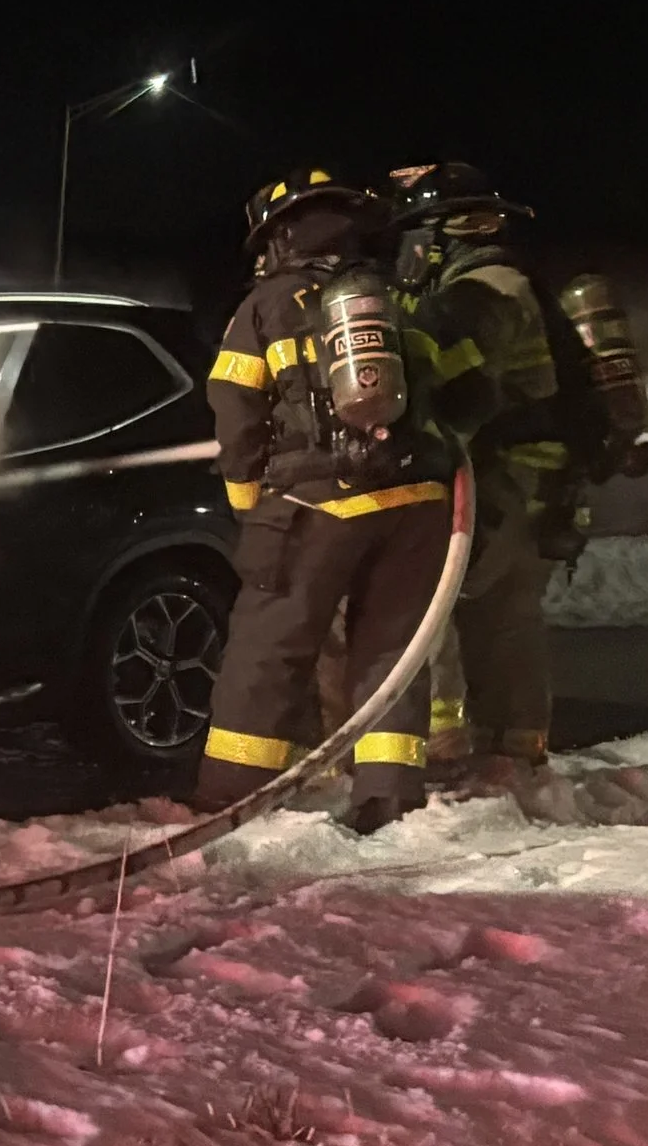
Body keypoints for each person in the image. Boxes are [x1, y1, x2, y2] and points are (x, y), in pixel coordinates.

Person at [200, 169, 456, 833]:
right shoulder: (395, 299)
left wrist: (250, 503)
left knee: (268, 650)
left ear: (282, 237)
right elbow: (458, 391)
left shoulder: (268, 304)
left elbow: (234, 405)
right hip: (416, 501)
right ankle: (389, 801)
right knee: (393, 651)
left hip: (315, 501)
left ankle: (232, 801)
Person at [383, 163, 557, 770]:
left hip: (512, 473)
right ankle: (509, 750)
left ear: (439, 235)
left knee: (453, 598)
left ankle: (460, 745)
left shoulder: (489, 289)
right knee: (499, 614)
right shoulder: (480, 282)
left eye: (412, 236)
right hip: (510, 471)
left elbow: (447, 369)